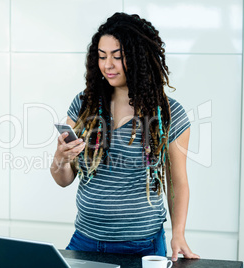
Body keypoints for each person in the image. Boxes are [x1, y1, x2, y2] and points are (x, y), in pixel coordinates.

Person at [50, 12, 199, 262]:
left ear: (140, 59)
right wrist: (61, 158)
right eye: (101, 56)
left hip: (142, 247)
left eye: (118, 57)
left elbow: (177, 183)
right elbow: (64, 179)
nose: (108, 65)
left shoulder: (169, 114)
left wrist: (179, 233)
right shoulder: (84, 105)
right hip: (85, 240)